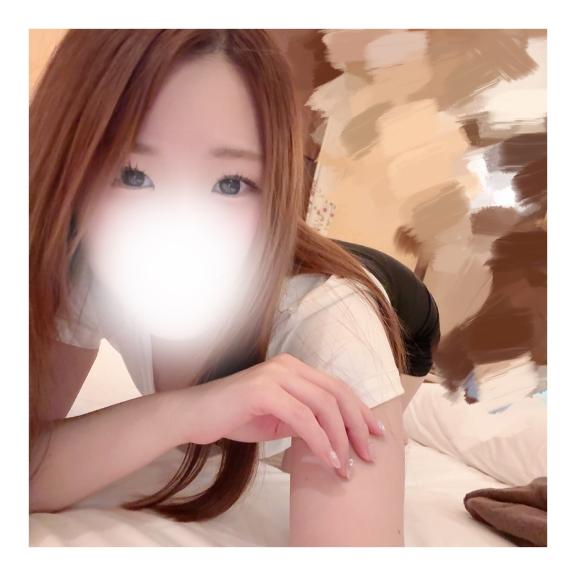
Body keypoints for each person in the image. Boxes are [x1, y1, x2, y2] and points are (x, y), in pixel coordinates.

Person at [30, 29, 408, 546]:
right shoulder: (84, 266)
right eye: (133, 175)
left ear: (273, 187)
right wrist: (187, 411)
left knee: (381, 422)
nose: (179, 231)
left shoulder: (329, 318)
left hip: (397, 301)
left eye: (230, 183)